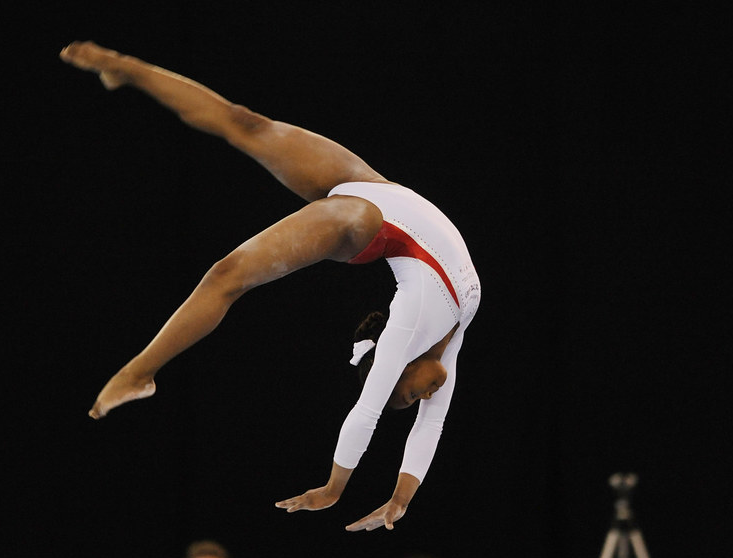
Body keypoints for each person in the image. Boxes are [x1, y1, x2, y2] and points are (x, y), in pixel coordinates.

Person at [60, 41, 481, 532]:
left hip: (365, 221)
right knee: (245, 122)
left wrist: (365, 495)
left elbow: (399, 418)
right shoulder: (443, 336)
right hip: (371, 186)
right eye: (407, 401)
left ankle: (139, 374)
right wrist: (368, 495)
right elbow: (405, 418)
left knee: (228, 274)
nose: (419, 400)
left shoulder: (414, 330)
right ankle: (126, 68)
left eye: (406, 398)